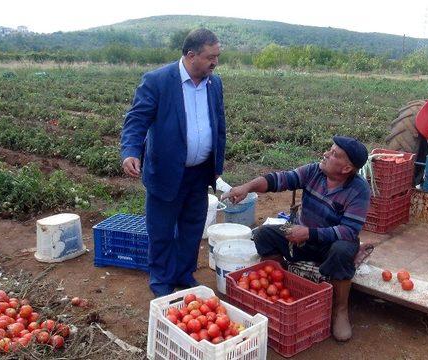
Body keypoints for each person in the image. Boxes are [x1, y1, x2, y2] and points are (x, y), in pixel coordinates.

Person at [222, 136, 370, 342]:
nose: (326, 154)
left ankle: (339, 309)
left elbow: (349, 230)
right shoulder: (314, 171)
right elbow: (278, 180)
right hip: (302, 237)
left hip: (329, 243)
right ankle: (281, 287)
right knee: (264, 235)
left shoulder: (359, 190)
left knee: (343, 250)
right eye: (330, 149)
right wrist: (247, 187)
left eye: (334, 154)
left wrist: (309, 233)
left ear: (346, 169)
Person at [120, 28, 226, 297]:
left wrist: (215, 164)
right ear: (191, 55)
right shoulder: (158, 81)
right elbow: (137, 119)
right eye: (210, 57)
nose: (215, 62)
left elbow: (218, 123)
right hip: (167, 171)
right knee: (162, 229)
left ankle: (183, 273)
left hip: (200, 172)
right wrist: (131, 151)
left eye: (217, 56)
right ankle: (161, 281)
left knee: (192, 227)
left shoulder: (215, 83)